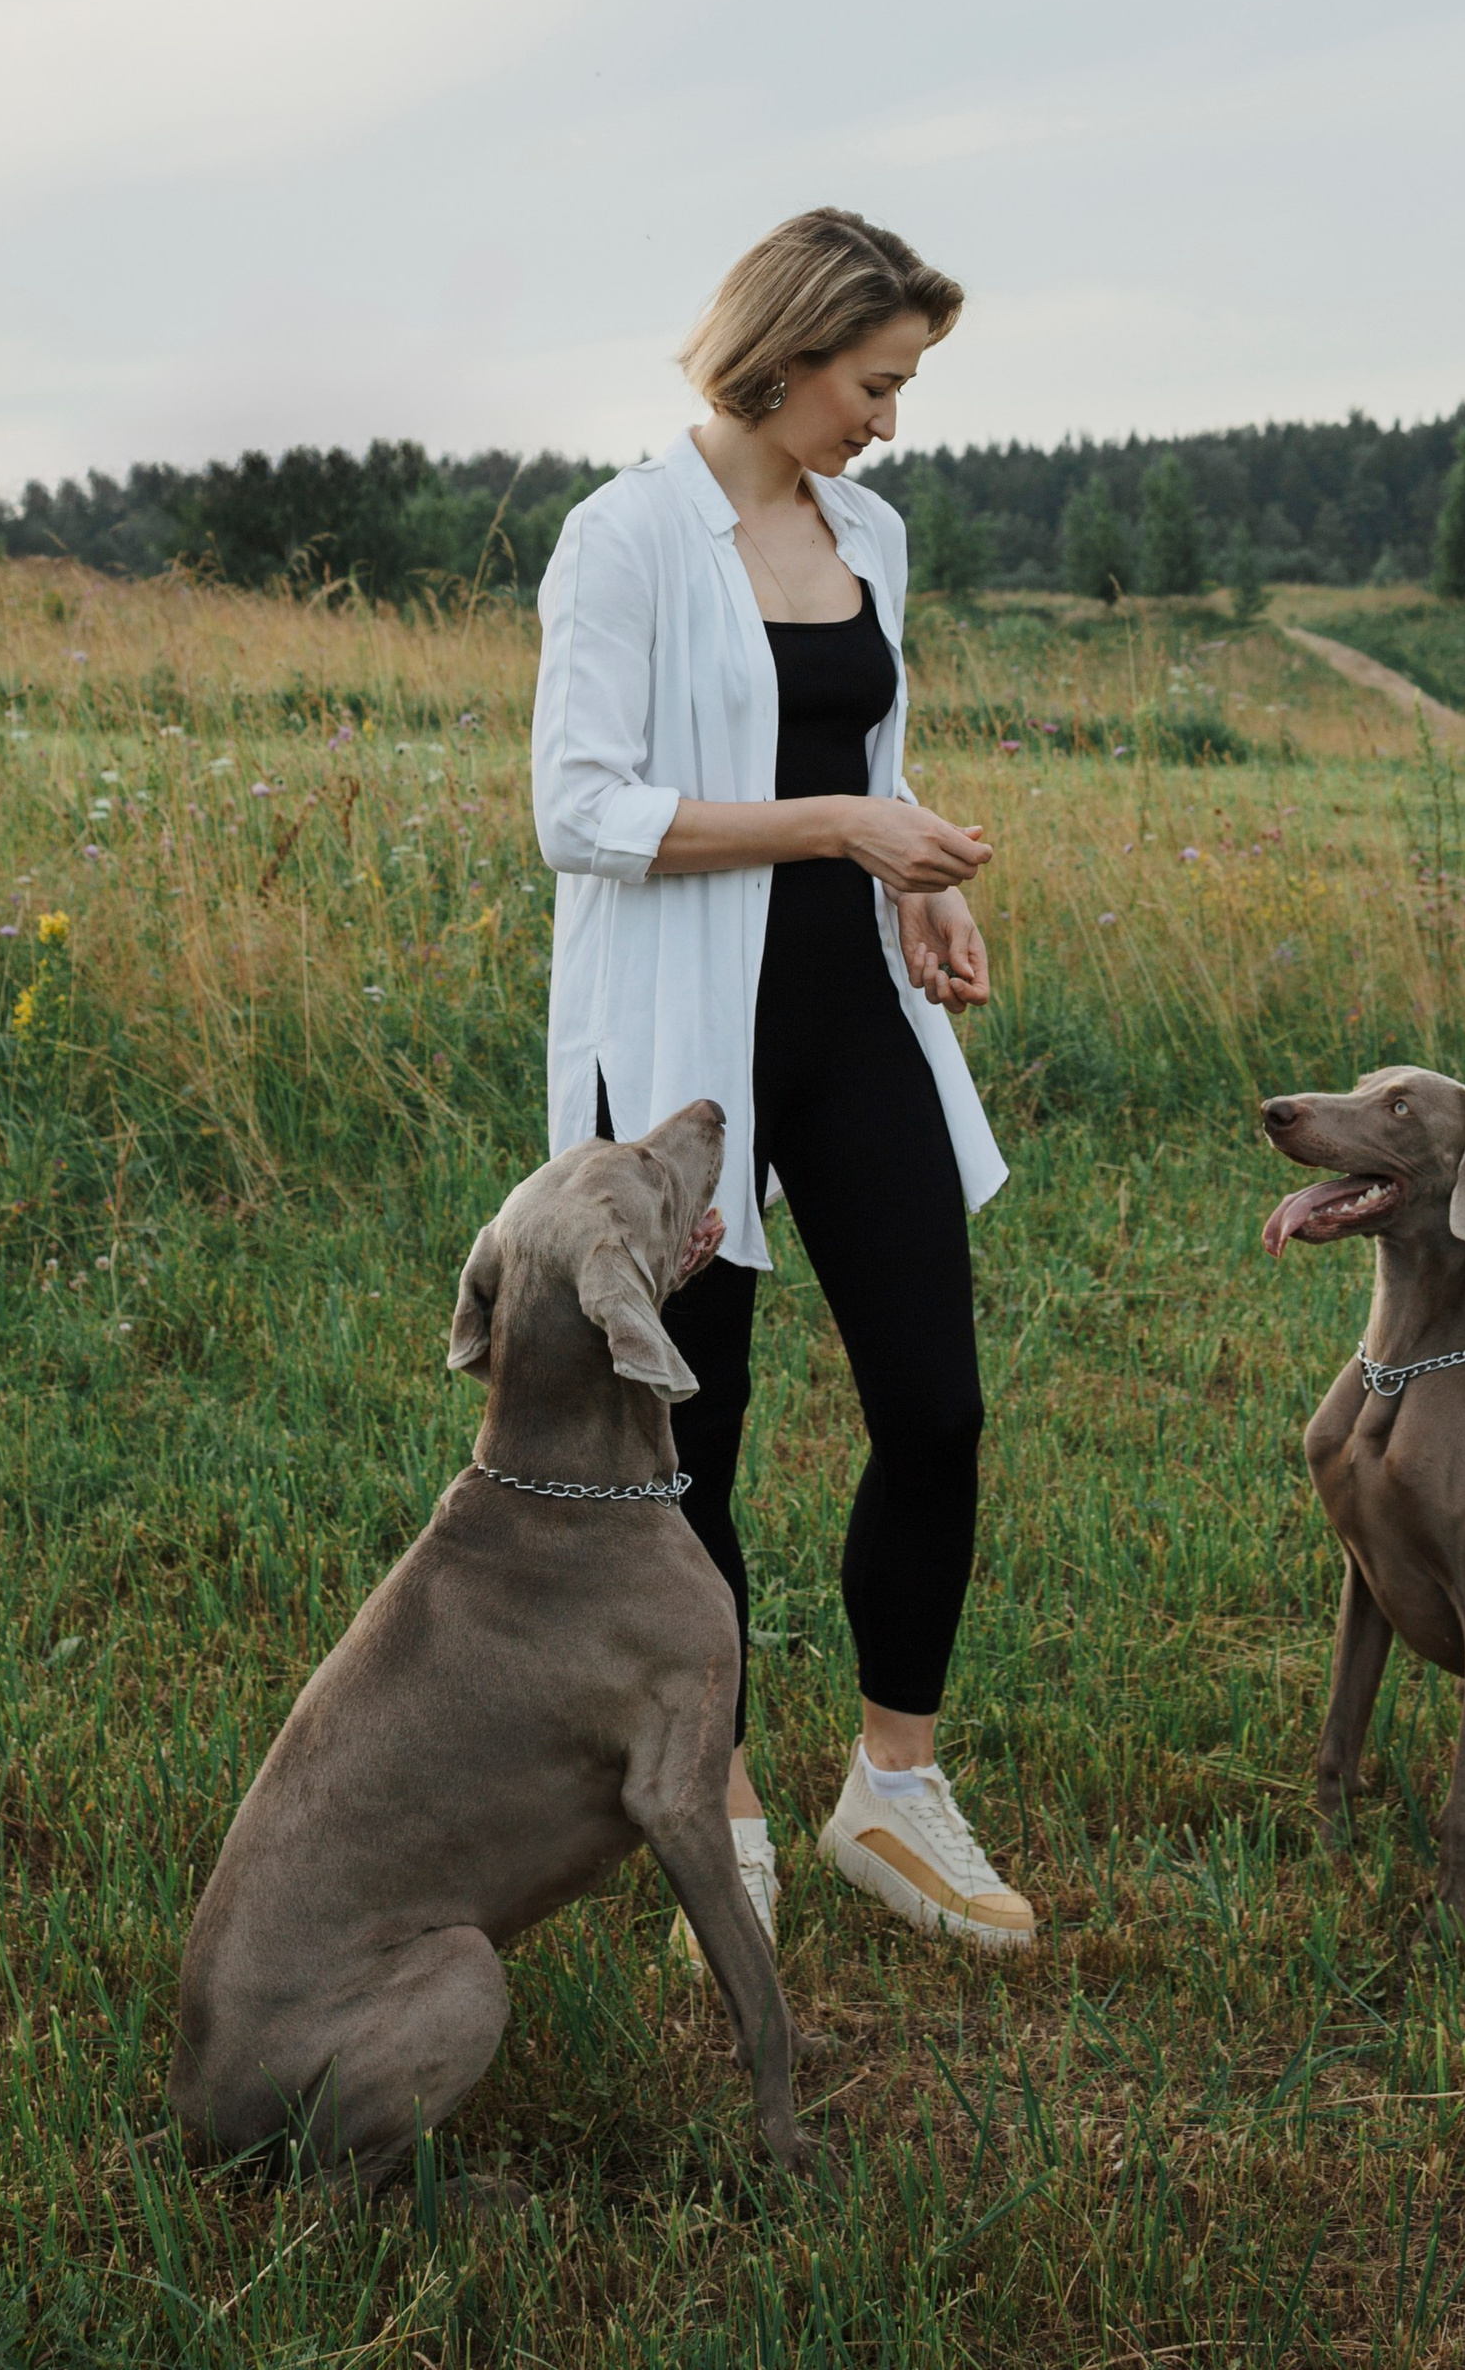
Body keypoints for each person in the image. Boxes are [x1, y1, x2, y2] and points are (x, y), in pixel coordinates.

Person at [530, 206, 1034, 1952]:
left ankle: (893, 1790)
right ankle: (718, 1806)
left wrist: (921, 877)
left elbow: (859, 757)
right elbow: (578, 809)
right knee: (702, 1437)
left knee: (938, 1407)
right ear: (786, 352)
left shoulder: (868, 531)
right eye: (874, 384)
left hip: (852, 1020)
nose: (889, 420)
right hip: (684, 1041)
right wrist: (841, 829)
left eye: (903, 388)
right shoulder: (624, 536)